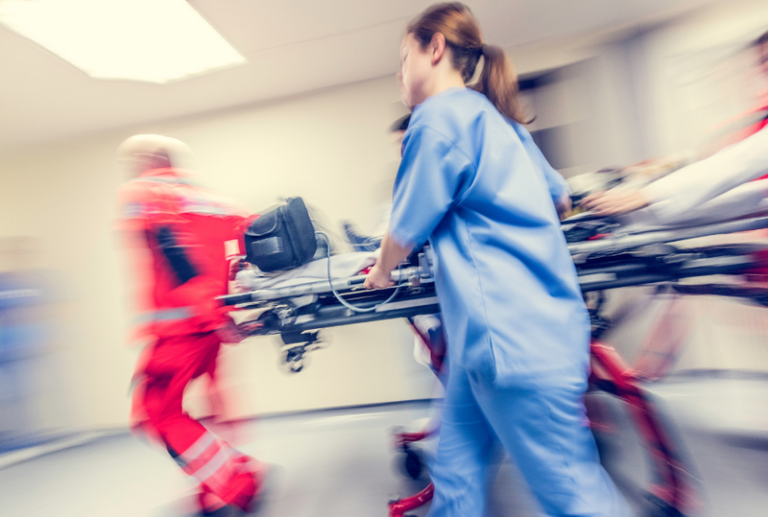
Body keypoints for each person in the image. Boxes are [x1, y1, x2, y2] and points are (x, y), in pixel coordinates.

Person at [364, 4, 631, 516]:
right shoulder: (499, 121)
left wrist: (380, 271)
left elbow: (404, 227)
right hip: (501, 338)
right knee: (457, 470)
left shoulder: (436, 118)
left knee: (572, 494)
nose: (398, 74)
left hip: (509, 341)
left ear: (435, 49)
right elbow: (559, 198)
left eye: (403, 58)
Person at [116, 135, 265, 516]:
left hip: (181, 328)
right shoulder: (215, 201)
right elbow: (254, 245)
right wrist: (227, 318)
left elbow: (173, 250)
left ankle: (236, 480)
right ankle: (224, 479)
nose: (132, 167)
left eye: (135, 159)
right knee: (214, 401)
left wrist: (210, 315)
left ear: (151, 159)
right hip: (209, 328)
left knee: (156, 413)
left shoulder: (143, 190)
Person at [583, 29, 768, 218]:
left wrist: (648, 195)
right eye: (762, 62)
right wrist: (638, 173)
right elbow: (712, 155)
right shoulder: (758, 113)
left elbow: (742, 160)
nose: (764, 68)